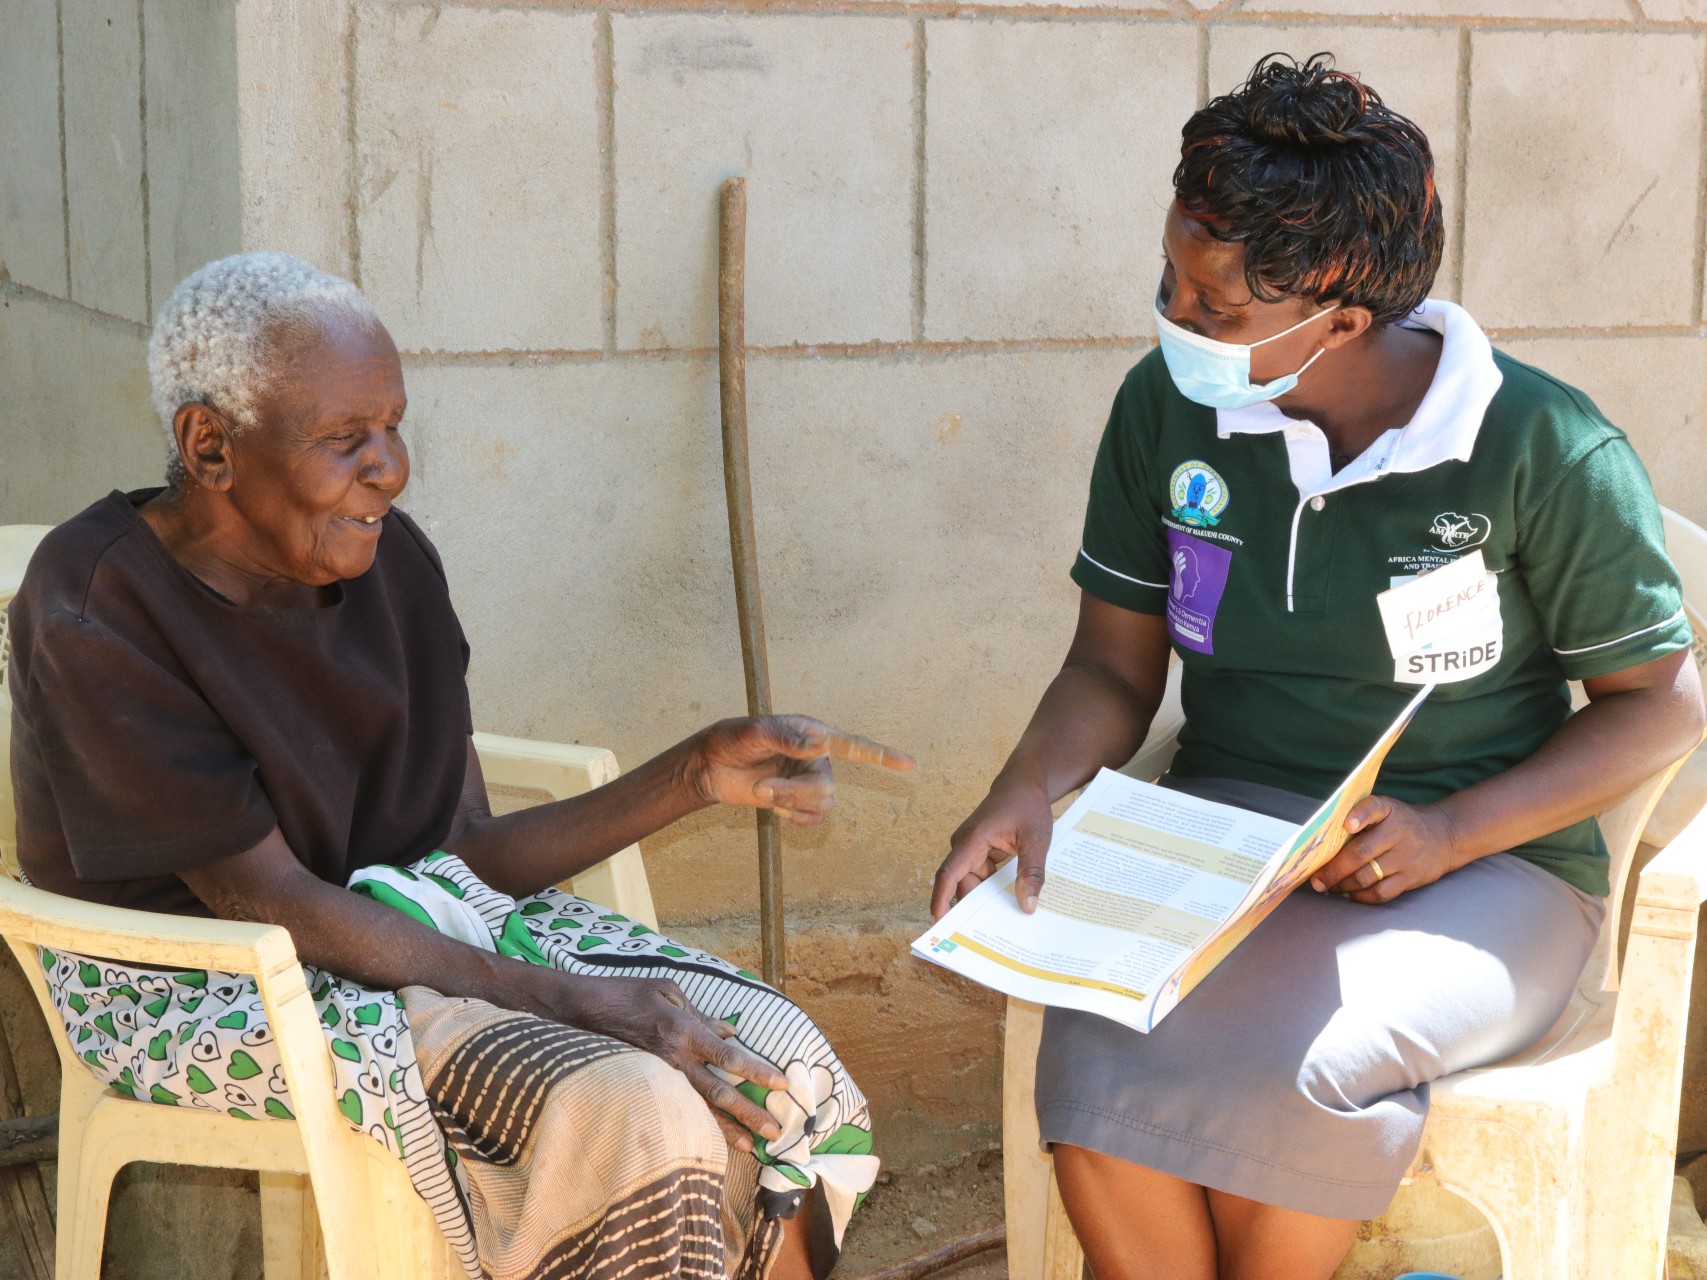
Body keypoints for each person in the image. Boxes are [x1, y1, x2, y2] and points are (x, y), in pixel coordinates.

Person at [932, 54, 1705, 1280]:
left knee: (1304, 1065)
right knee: (1095, 1048)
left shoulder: (1537, 445)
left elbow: (1661, 705)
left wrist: (1453, 828)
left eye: (1215, 306)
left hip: (1482, 862)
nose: (1176, 320)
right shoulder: (1167, 410)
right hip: (1222, 845)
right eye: (1171, 280)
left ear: (1341, 310)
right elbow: (1112, 666)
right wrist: (1025, 785)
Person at [8, 251, 914, 1280]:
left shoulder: (390, 558)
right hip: (198, 982)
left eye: (393, 425)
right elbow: (268, 903)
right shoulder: (98, 604)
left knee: (773, 1058)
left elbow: (464, 852)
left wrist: (694, 772)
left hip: (415, 925)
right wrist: (565, 999)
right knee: (628, 1103)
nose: (389, 467)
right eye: (346, 440)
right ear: (209, 443)